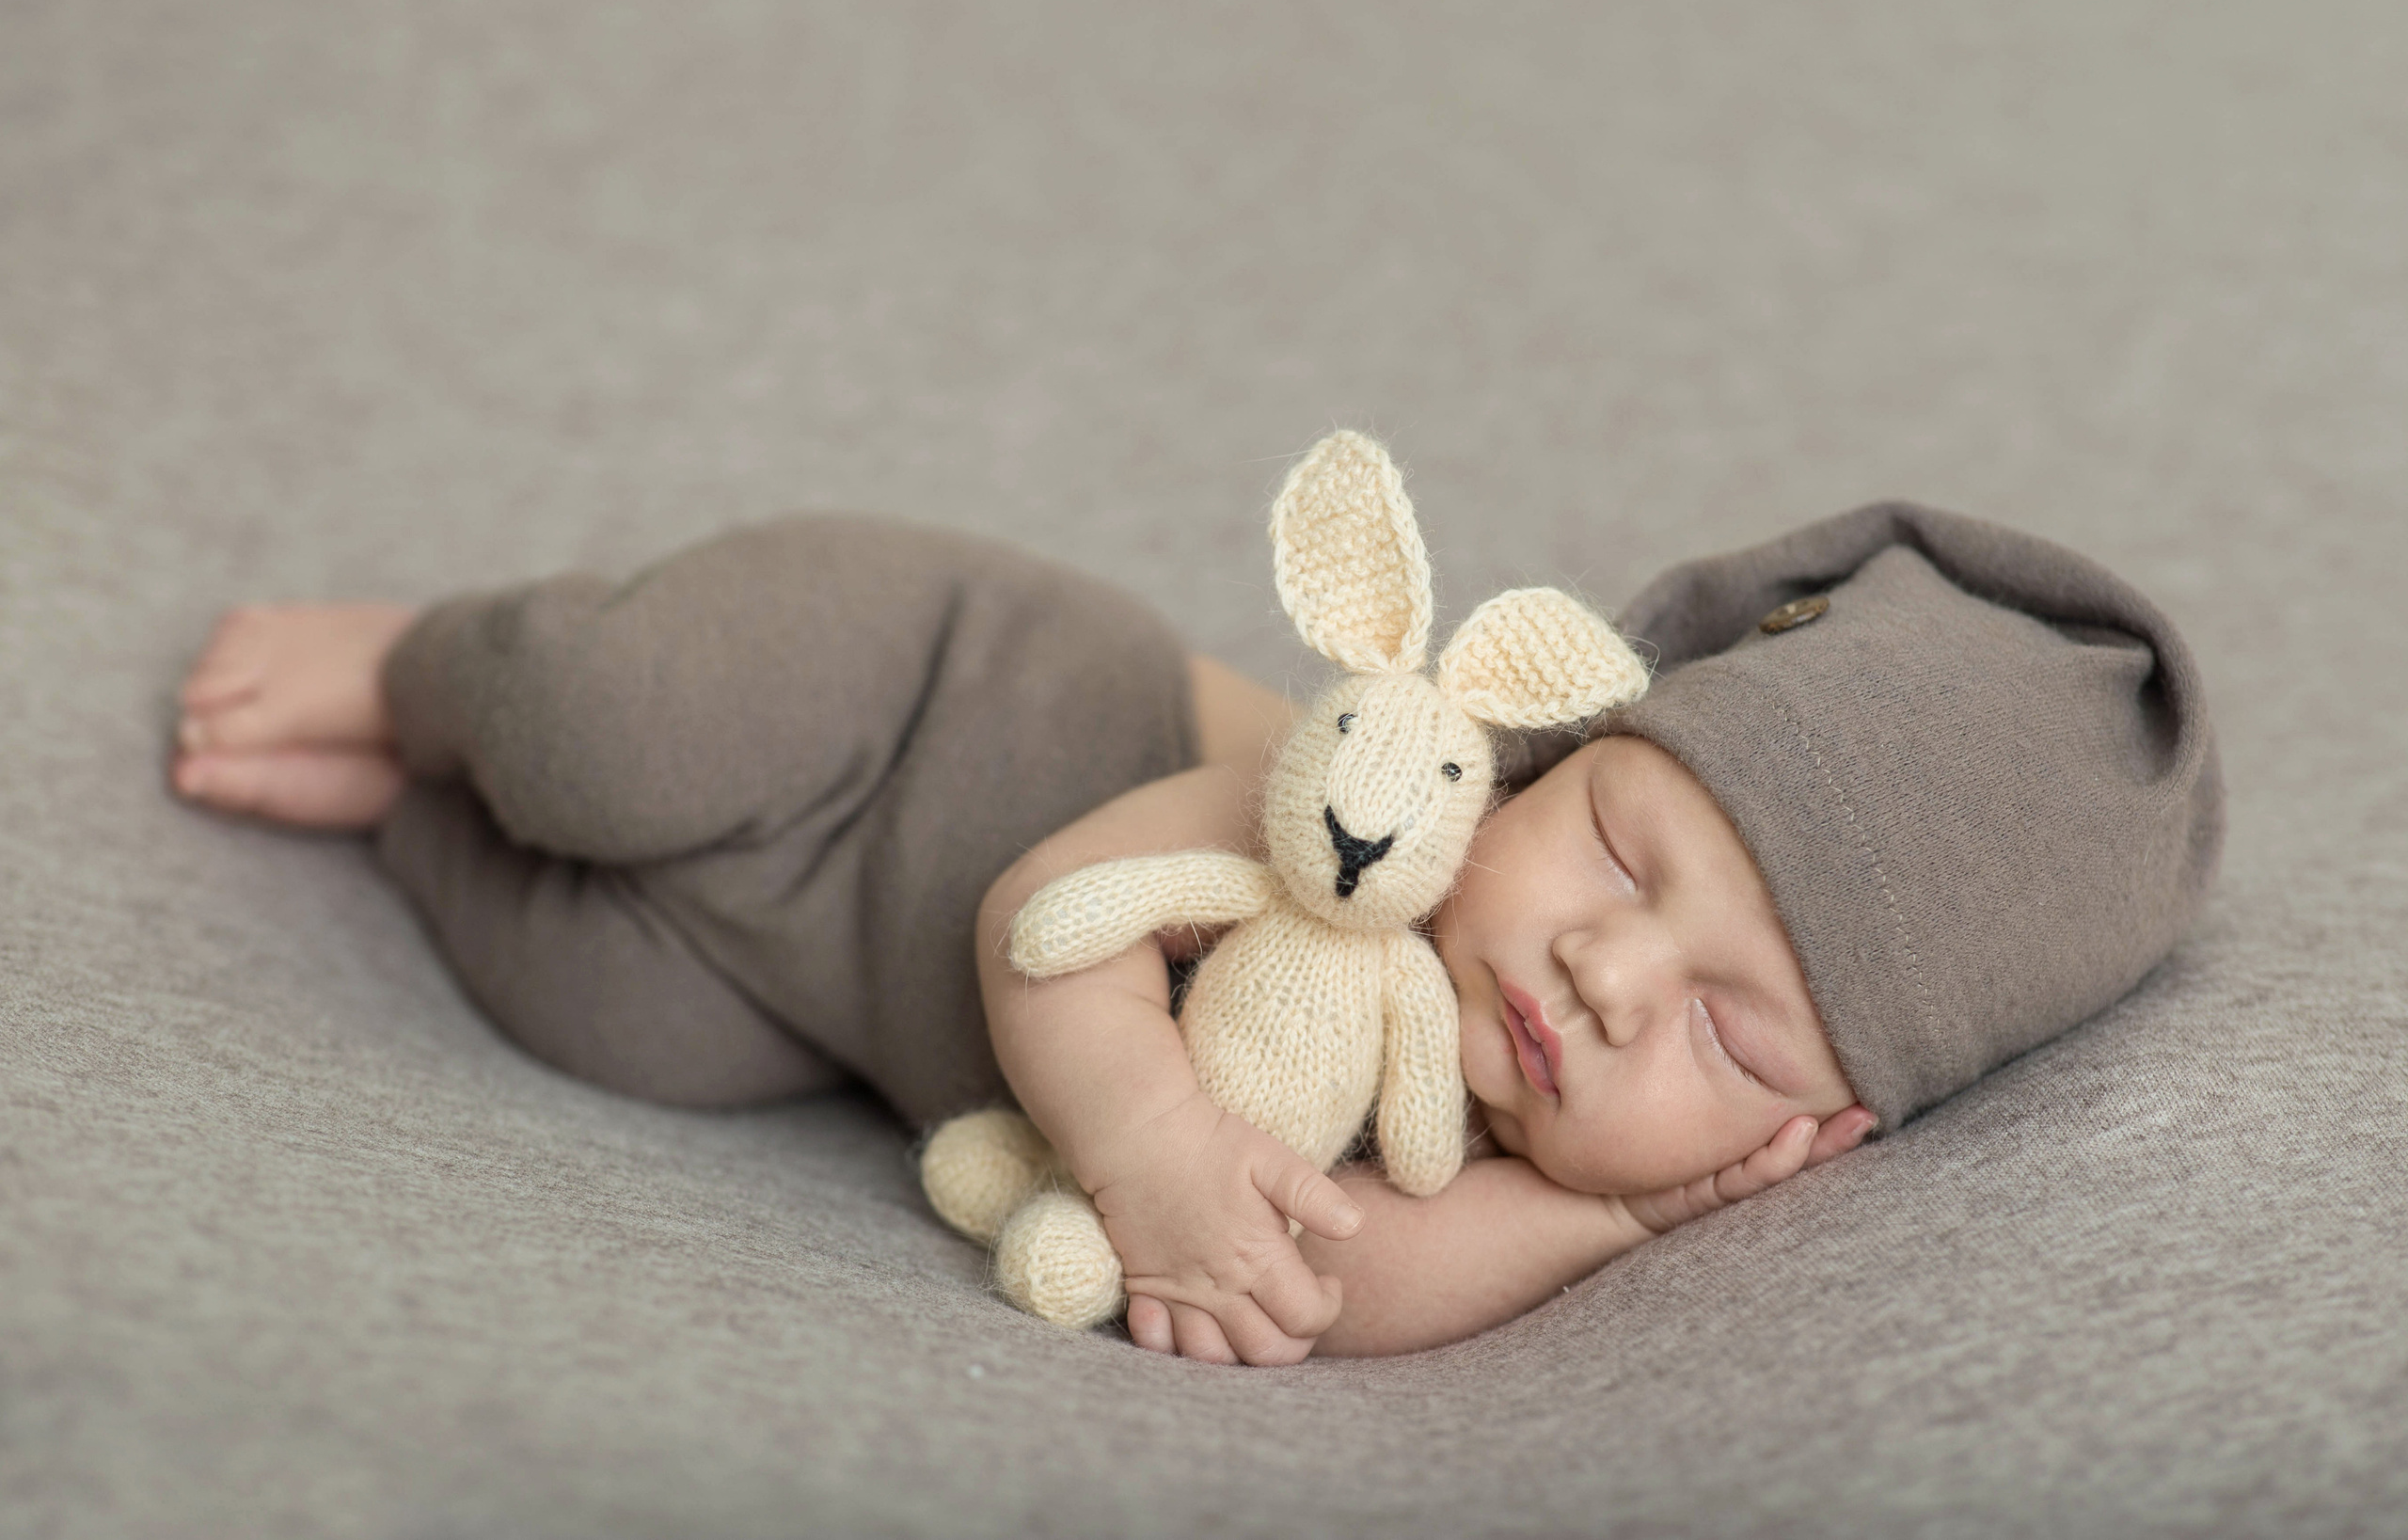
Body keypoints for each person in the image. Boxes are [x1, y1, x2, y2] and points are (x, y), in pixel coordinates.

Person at [166, 491, 2223, 1366]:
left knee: (609, 1014)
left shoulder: (1509, 1159)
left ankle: (412, 826)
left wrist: (1604, 1224)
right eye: (1614, 849)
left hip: (802, 1001)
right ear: (1547, 746)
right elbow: (1046, 920)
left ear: (1814, 1139)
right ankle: (438, 676)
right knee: (616, 727)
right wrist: (1148, 1154)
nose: (1606, 976)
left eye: (1733, 1041)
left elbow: (1342, 1284)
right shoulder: (1366, 824)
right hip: (913, 695)